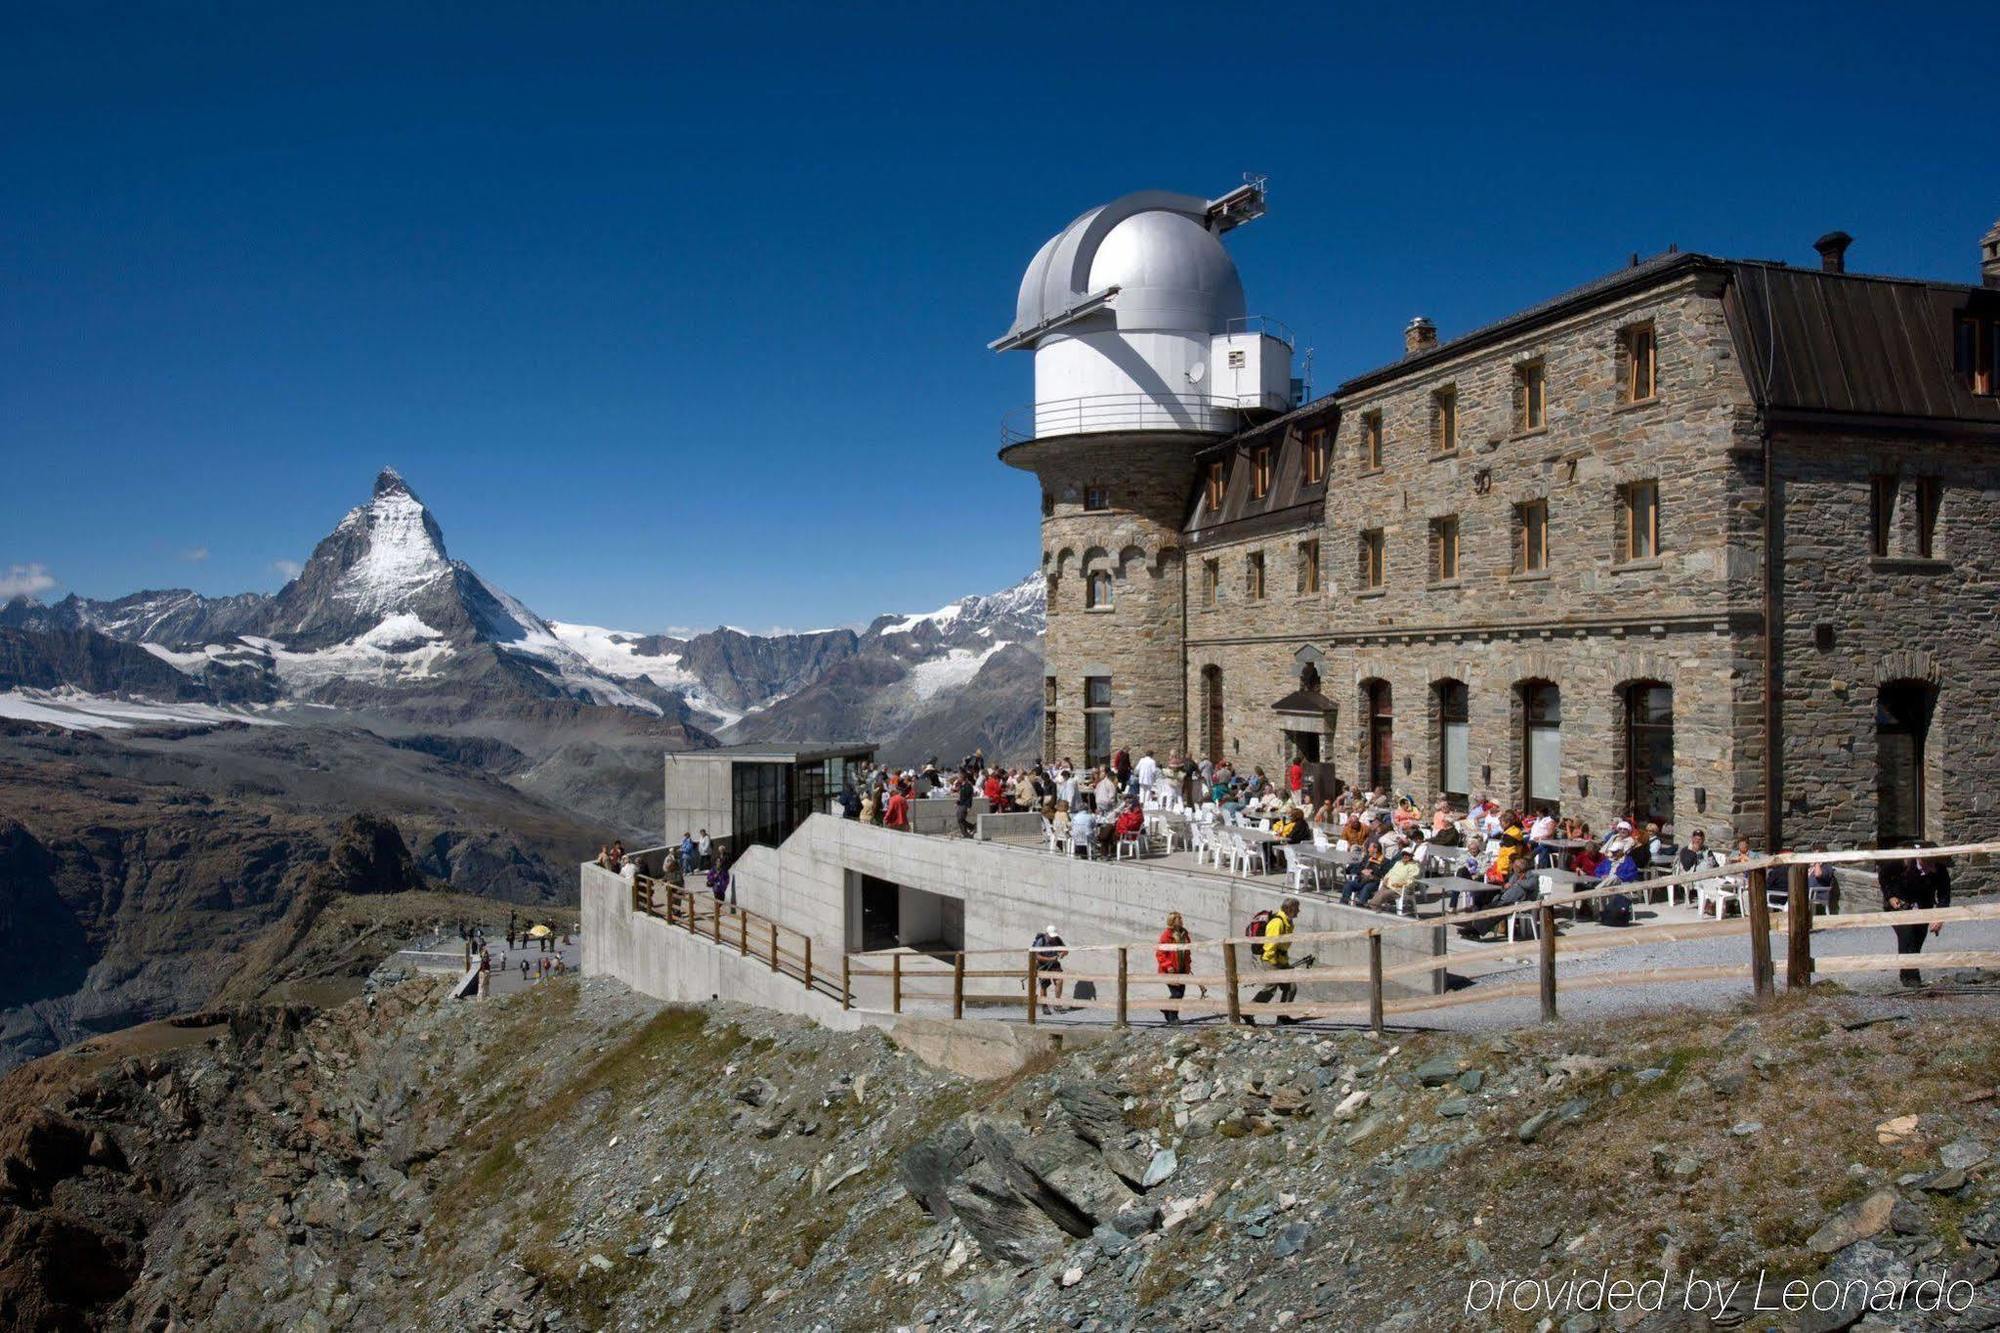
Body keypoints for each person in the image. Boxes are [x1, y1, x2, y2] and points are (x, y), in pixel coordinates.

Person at [1881, 844, 1950, 987]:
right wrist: (1890, 896)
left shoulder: (1940, 869)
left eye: (1933, 860)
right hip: (1900, 904)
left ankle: (1906, 974)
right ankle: (1913, 979)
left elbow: (1944, 894)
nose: (1931, 865)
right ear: (1919, 856)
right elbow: (1883, 876)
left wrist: (1939, 916)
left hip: (1923, 907)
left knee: (1918, 938)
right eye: (1927, 860)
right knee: (1907, 935)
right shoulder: (1902, 861)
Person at [1247, 897, 1301, 1025]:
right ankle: (1248, 1011)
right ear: (1290, 909)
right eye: (1297, 908)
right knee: (1271, 988)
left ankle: (1282, 1016)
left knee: (1291, 987)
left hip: (1281, 960)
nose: (1299, 911)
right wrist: (1273, 963)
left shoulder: (1287, 921)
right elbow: (1270, 944)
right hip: (1271, 960)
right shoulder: (1277, 922)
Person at [1156, 911, 1193, 1024]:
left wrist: (1188, 965)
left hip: (1182, 968)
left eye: (1181, 918)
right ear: (1173, 921)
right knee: (1176, 994)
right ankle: (1173, 1018)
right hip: (1170, 970)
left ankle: (1167, 1010)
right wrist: (1168, 966)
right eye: (1179, 919)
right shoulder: (1166, 935)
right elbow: (1160, 953)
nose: (1181, 920)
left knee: (1180, 993)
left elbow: (1187, 951)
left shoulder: (1184, 933)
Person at [1031, 924, 1067, 1014]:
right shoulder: (1041, 941)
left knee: (1059, 981)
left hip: (1054, 964)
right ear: (1046, 934)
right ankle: (1045, 1006)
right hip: (1043, 965)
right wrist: (1050, 959)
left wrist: (1062, 953)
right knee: (1044, 985)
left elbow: (1066, 950)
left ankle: (1057, 1004)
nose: (1052, 938)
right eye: (1051, 936)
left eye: (1053, 936)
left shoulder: (1057, 939)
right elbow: (1037, 956)